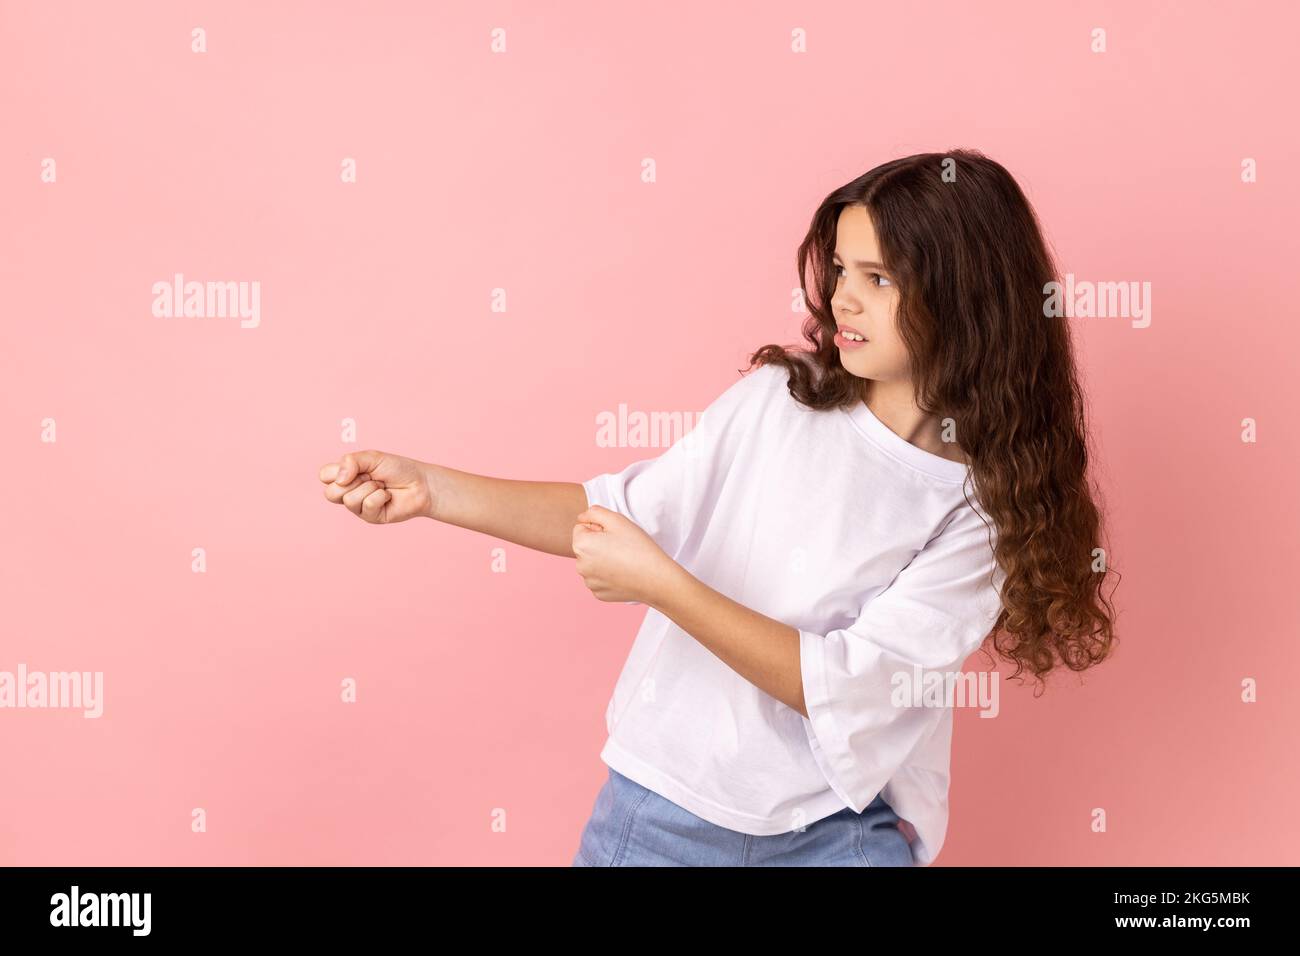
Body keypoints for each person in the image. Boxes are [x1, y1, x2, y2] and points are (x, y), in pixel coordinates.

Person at [317, 148, 1118, 867]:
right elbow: (611, 511)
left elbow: (853, 686)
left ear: (968, 300)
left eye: (878, 279)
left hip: (839, 833)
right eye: (841, 269)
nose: (844, 299)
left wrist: (664, 586)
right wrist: (432, 490)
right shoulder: (780, 403)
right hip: (663, 815)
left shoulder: (983, 507)